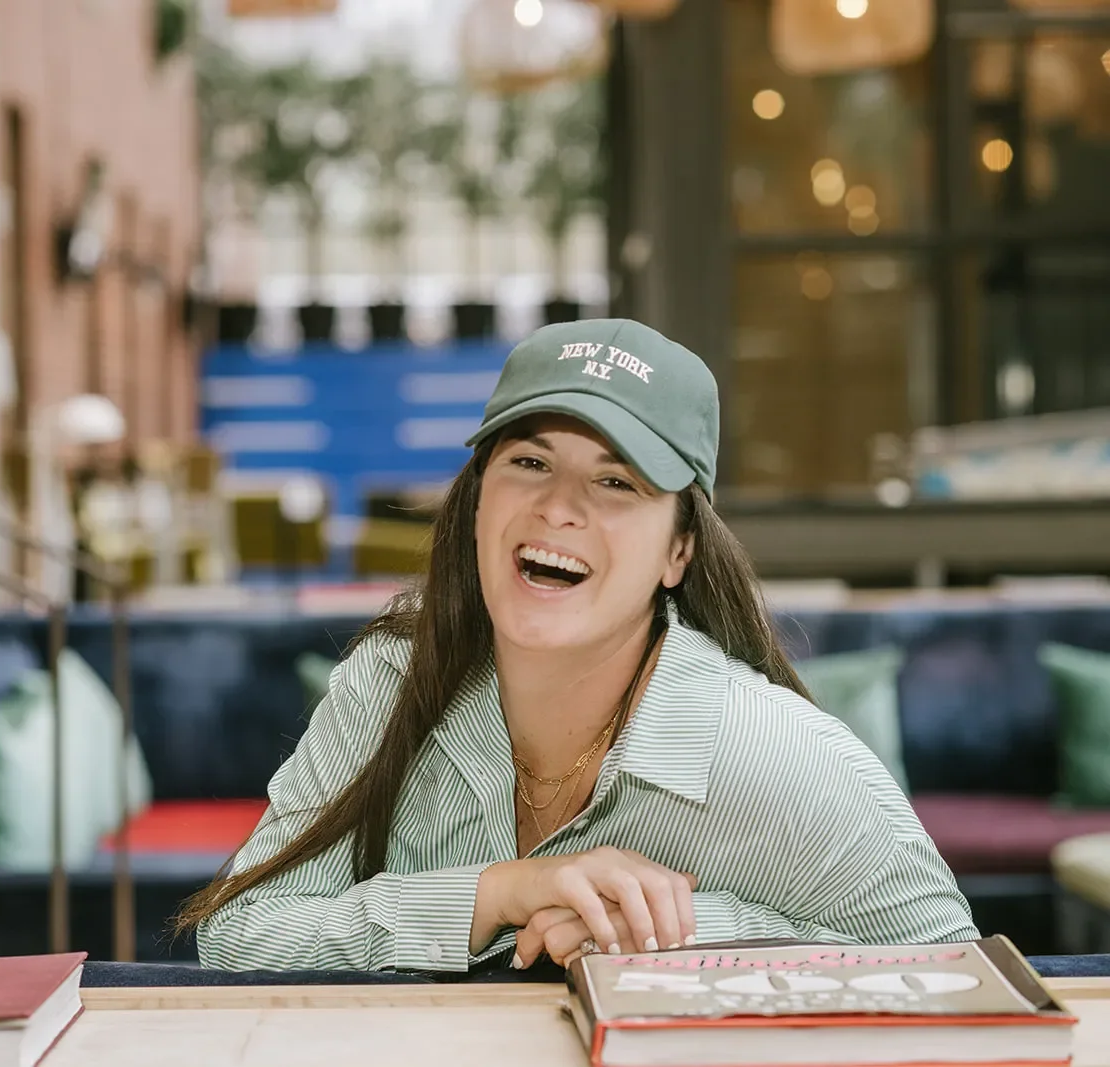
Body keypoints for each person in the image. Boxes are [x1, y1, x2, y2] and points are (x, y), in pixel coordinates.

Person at [177, 319, 978, 974]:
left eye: (616, 481)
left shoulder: (774, 752)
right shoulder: (388, 685)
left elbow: (957, 976)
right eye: (528, 461)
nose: (559, 506)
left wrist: (685, 933)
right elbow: (240, 937)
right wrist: (496, 893)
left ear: (679, 552)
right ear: (477, 503)